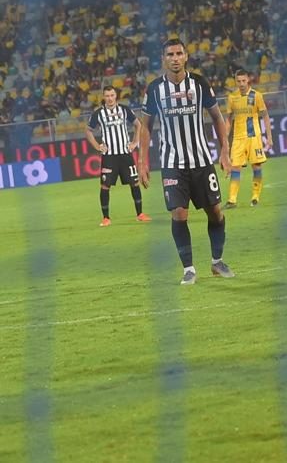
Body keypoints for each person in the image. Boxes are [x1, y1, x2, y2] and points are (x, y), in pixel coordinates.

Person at [137, 39, 235, 285]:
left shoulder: (200, 83)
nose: (175, 58)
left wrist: (225, 151)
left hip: (201, 161)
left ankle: (217, 261)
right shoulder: (154, 89)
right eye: (170, 54)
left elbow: (217, 118)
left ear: (186, 56)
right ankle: (189, 269)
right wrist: (142, 161)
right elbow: (145, 126)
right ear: (164, 59)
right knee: (179, 214)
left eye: (179, 53)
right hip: (172, 164)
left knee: (215, 212)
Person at [85, 85, 151, 226]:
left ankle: (140, 214)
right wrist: (97, 146)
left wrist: (135, 142)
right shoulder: (98, 113)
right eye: (107, 96)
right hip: (109, 156)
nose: (110, 98)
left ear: (116, 96)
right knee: (105, 186)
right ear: (103, 97)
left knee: (134, 183)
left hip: (125, 154)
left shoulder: (124, 110)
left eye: (112, 95)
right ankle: (106, 218)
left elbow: (138, 124)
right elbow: (88, 130)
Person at [225, 69, 271, 208]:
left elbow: (265, 116)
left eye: (243, 81)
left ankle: (255, 197)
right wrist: (225, 140)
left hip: (253, 137)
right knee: (235, 168)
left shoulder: (256, 96)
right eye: (238, 81)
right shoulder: (232, 97)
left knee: (256, 166)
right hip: (238, 138)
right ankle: (232, 200)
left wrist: (269, 137)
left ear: (248, 80)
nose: (241, 84)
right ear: (235, 81)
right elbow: (229, 120)